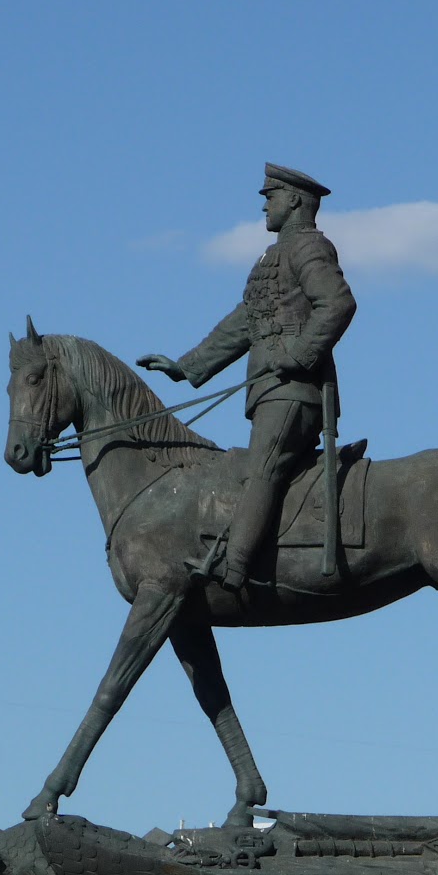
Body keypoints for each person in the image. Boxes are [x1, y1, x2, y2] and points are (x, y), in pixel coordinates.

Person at [138, 163, 356, 589]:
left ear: (293, 200)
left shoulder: (311, 247)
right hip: (270, 389)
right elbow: (247, 321)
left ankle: (233, 569)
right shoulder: (274, 255)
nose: (264, 206)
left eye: (269, 197)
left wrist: (299, 354)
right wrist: (188, 366)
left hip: (294, 391)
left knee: (262, 469)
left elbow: (338, 303)